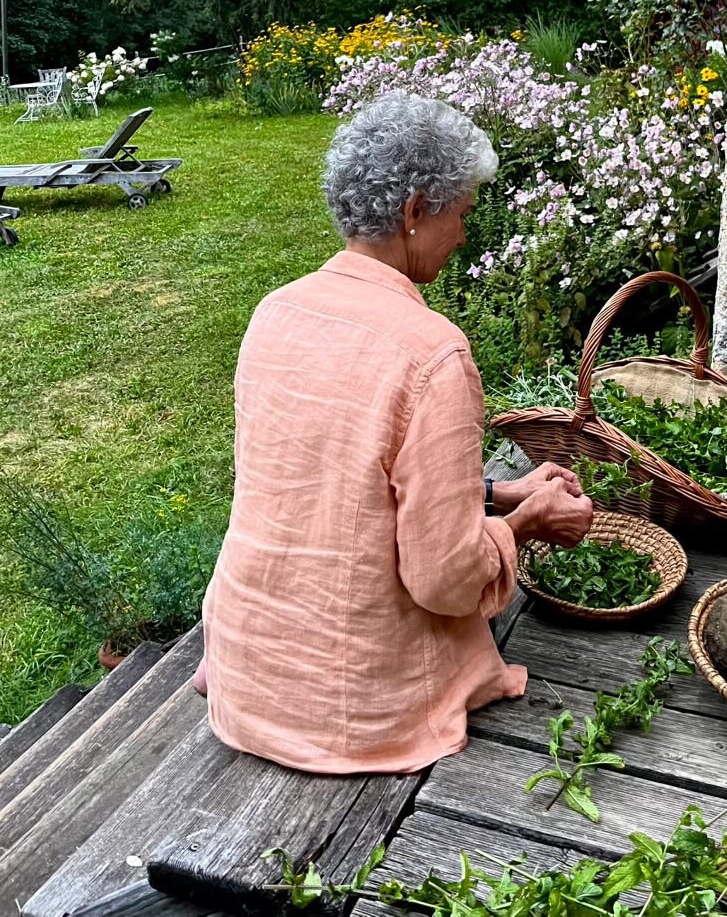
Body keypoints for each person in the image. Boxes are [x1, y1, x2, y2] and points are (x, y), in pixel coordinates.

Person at [195, 92, 593, 774]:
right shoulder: (432, 353)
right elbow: (443, 581)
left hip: (247, 667)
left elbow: (348, 483)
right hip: (346, 705)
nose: (466, 234)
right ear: (414, 212)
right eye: (461, 215)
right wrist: (523, 526)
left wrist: (495, 493)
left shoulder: (275, 312)